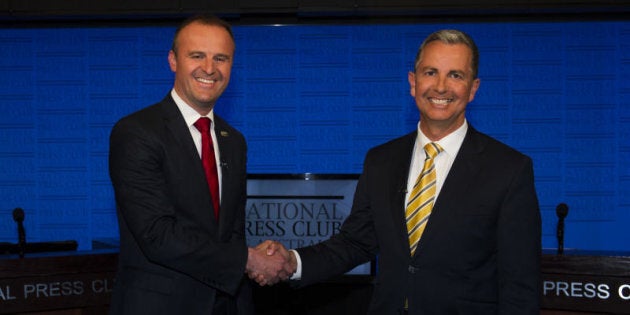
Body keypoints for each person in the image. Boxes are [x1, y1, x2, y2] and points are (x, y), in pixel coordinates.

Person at [255, 29, 542, 314]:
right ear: (413, 82)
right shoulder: (381, 161)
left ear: (473, 88)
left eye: (455, 75)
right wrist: (293, 262)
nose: (440, 87)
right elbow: (355, 242)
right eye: (430, 72)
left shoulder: (509, 170)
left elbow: (520, 285)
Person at [108, 14, 292, 315]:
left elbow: (230, 232)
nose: (210, 69)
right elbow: (157, 234)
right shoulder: (136, 132)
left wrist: (257, 259)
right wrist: (248, 260)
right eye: (197, 56)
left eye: (221, 58)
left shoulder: (234, 140)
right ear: (173, 60)